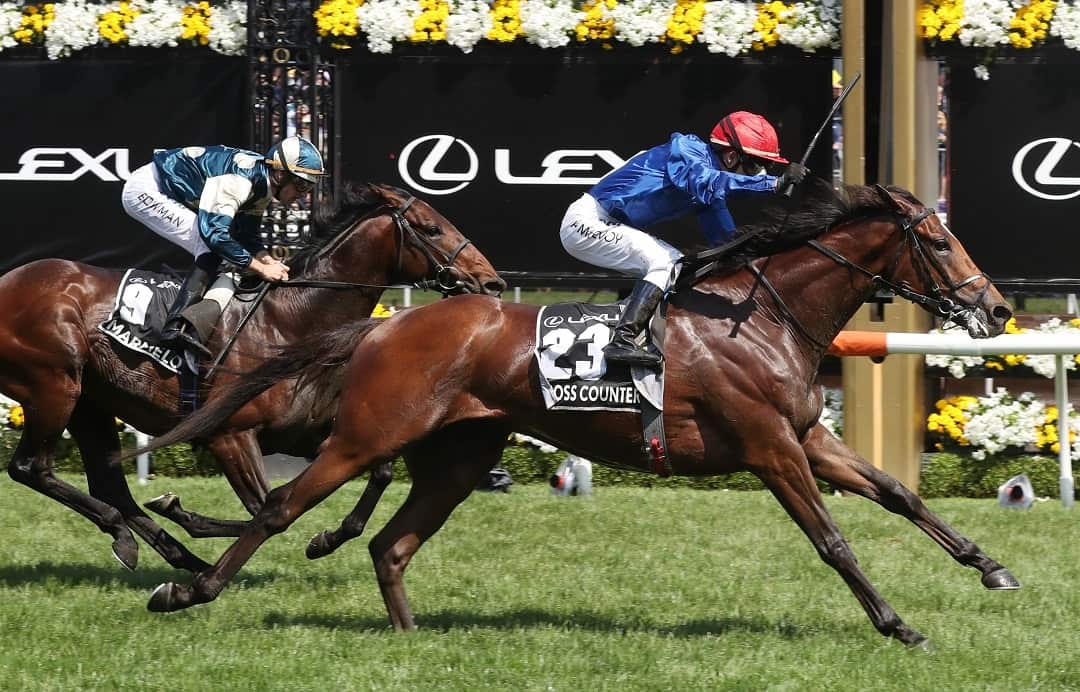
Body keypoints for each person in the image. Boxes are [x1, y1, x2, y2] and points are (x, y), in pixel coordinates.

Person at [559, 111, 808, 368]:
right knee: (665, 260)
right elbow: (711, 182)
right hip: (587, 222)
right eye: (756, 165)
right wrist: (773, 184)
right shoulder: (687, 153)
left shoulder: (708, 190)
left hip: (611, 224)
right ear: (731, 156)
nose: (759, 173)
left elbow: (727, 243)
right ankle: (622, 341)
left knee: (682, 267)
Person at [121, 135, 327, 357]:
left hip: (170, 189)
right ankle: (174, 328)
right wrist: (262, 268)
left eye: (309, 186)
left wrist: (267, 259)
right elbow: (215, 236)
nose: (303, 194)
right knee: (211, 246)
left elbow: (247, 234)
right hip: (147, 190)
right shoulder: (240, 181)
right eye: (301, 184)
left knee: (231, 254)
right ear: (279, 174)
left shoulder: (263, 182)